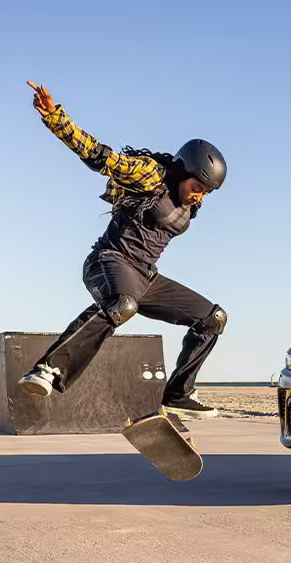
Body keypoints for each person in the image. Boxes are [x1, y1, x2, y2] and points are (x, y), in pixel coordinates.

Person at [17, 80, 227, 419]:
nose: (199, 196)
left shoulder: (191, 204)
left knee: (212, 318)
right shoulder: (151, 177)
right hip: (108, 261)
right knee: (123, 305)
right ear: (182, 170)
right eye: (197, 187)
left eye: (207, 193)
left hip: (146, 277)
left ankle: (178, 393)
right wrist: (56, 118)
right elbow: (101, 157)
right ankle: (48, 368)